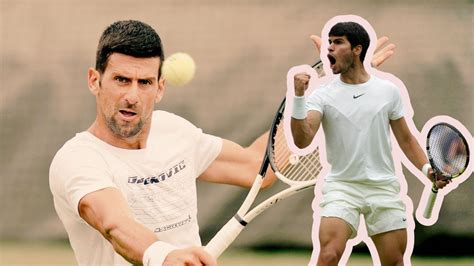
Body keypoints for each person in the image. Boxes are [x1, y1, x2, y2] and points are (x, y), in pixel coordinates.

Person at [49, 20, 395, 266]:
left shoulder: (174, 131)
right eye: (121, 80)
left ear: (160, 87)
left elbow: (257, 166)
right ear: (95, 80)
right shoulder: (78, 160)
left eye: (144, 82)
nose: (132, 95)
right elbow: (114, 223)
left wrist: (326, 91)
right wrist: (163, 255)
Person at [289, 20, 450, 265]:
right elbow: (302, 140)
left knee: (394, 262)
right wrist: (298, 97)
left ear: (357, 49)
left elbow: (406, 139)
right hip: (342, 188)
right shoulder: (321, 95)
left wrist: (428, 171)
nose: (329, 48)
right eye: (329, 42)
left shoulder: (388, 90)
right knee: (329, 254)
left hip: (383, 188)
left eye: (338, 42)